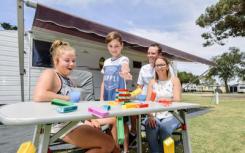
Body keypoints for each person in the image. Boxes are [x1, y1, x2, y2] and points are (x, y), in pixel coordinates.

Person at [33, 40, 118, 153]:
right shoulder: (50, 74)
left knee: (113, 130)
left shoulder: (70, 80)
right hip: (60, 126)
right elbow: (39, 95)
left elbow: (78, 106)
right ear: (56, 60)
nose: (72, 64)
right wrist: (68, 98)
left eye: (73, 60)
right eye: (67, 60)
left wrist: (89, 119)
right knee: (108, 144)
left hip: (74, 122)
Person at [100, 31, 132, 153]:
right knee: (110, 123)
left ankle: (126, 149)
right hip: (108, 98)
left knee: (122, 124)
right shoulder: (107, 62)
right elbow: (104, 81)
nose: (114, 49)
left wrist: (125, 71)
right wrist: (101, 97)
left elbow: (125, 66)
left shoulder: (123, 58)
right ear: (107, 47)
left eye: (117, 46)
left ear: (122, 45)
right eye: (111, 46)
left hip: (120, 98)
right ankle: (115, 148)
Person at [128, 43, 163, 147]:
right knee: (131, 107)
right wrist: (130, 95)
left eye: (153, 53)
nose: (150, 55)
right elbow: (139, 88)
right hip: (143, 98)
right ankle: (134, 133)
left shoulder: (164, 67)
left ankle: (153, 134)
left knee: (148, 112)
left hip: (157, 99)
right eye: (148, 53)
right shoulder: (144, 68)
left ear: (159, 54)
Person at [144, 56, 181, 153]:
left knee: (164, 128)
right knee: (150, 125)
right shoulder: (152, 82)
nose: (159, 67)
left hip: (172, 114)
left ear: (167, 66)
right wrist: (150, 115)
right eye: (157, 65)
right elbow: (148, 101)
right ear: (154, 67)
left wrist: (166, 99)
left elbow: (177, 99)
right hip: (154, 114)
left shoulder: (174, 80)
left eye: (162, 65)